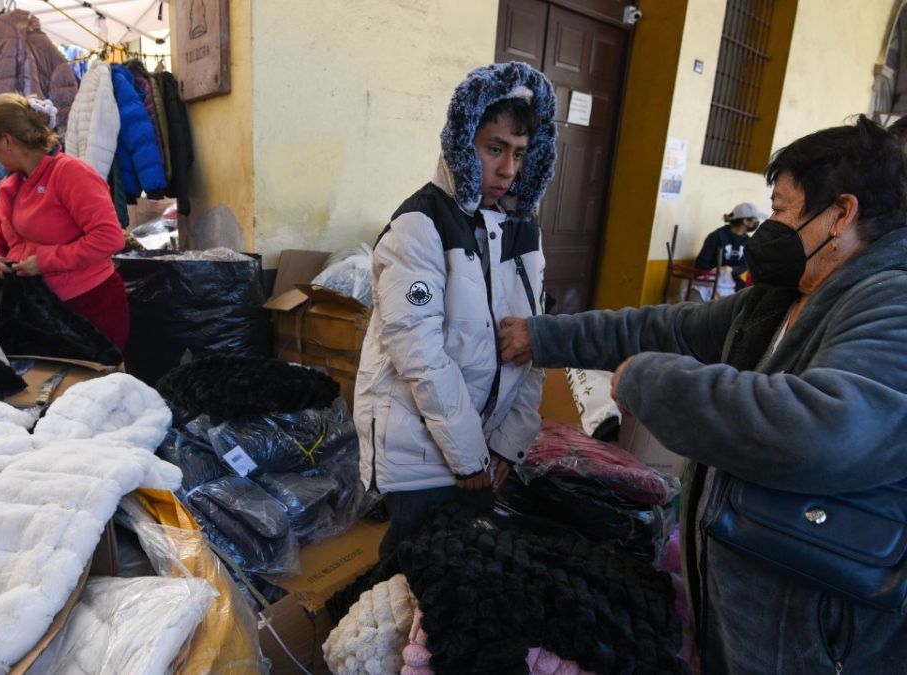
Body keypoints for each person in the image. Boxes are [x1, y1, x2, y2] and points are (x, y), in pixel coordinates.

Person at [498, 115, 907, 673]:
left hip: (818, 630)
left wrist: (652, 381)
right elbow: (662, 327)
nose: (771, 226)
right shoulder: (782, 301)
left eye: (784, 210)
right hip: (746, 613)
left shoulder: (891, 300)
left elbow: (827, 428)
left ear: (841, 214)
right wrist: (540, 336)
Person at [354, 62, 558, 559]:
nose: (508, 169)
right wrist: (469, 458)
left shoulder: (523, 230)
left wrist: (508, 443)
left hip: (483, 451)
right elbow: (420, 355)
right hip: (422, 453)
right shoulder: (419, 227)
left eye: (519, 154)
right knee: (411, 579)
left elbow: (535, 341)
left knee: (456, 583)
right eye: (494, 150)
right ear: (462, 144)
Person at [0, 93, 129, 350]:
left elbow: (110, 238)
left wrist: (45, 261)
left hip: (87, 308)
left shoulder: (71, 173)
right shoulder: (10, 185)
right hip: (32, 309)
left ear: (8, 140)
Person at [694, 202, 763, 291]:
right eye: (755, 219)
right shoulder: (717, 236)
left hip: (735, 285)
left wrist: (731, 269)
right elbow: (701, 264)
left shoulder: (748, 241)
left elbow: (746, 266)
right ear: (745, 221)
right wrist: (716, 273)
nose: (757, 222)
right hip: (710, 284)